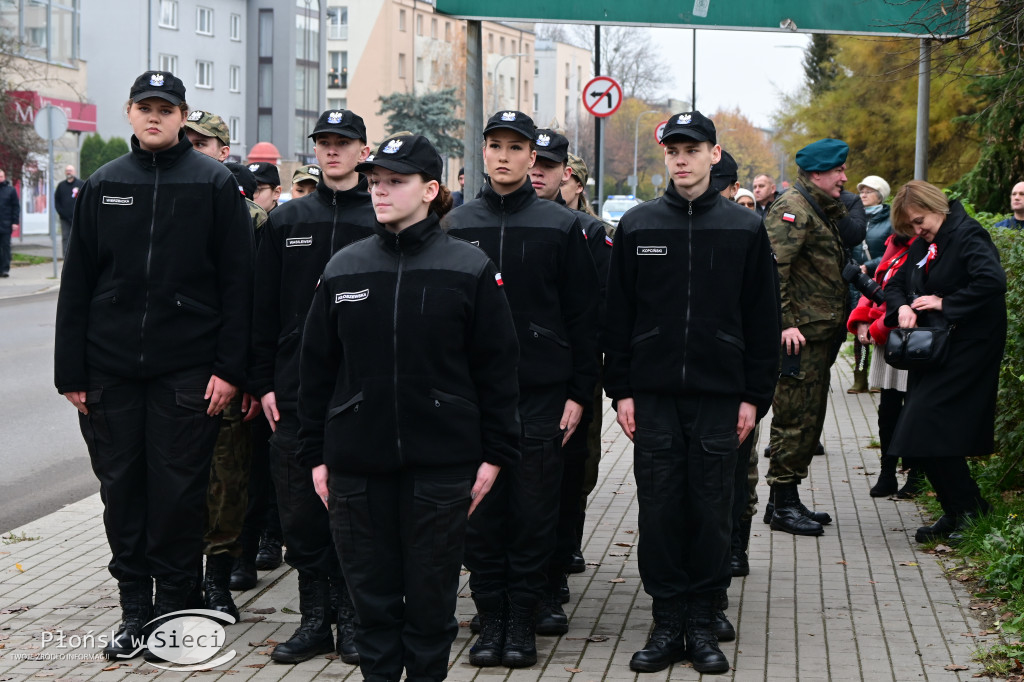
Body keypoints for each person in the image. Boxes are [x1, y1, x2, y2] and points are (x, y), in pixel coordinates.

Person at [297, 132, 520, 682]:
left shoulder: (468, 267)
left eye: (395, 181)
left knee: (430, 603)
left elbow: (497, 370)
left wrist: (495, 455)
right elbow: (316, 371)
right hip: (357, 466)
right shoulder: (344, 268)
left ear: (430, 190)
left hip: (441, 466)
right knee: (370, 604)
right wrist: (315, 456)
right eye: (375, 181)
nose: (380, 191)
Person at [53, 70, 253, 660]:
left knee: (179, 495)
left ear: (182, 117)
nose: (155, 117)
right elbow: (78, 282)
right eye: (145, 107)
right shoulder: (105, 182)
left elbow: (239, 283)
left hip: (188, 371)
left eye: (166, 109)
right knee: (122, 493)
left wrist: (230, 369)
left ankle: (175, 609)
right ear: (130, 112)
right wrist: (72, 374)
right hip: (109, 371)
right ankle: (134, 610)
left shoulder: (213, 183)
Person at [604, 111, 779, 675]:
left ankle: (703, 621)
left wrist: (753, 397)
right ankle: (666, 622)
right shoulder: (638, 226)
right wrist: (621, 390)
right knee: (659, 511)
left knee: (710, 511)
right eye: (673, 151)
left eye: (692, 150)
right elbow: (617, 315)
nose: (681, 160)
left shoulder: (744, 228)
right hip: (653, 398)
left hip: (720, 398)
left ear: (713, 154)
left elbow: (762, 319)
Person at [444, 110, 599, 669]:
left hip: (540, 396)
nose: (504, 156)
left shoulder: (561, 226)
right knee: (482, 514)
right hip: (473, 399)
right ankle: (491, 618)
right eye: (496, 146)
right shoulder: (457, 225)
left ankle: (522, 620)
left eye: (516, 147)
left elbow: (584, 318)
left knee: (533, 512)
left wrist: (579, 393)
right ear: (483, 152)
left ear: (533, 157)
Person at [250, 108, 375, 664]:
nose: (332, 150)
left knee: (354, 510)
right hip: (294, 391)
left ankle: (355, 620)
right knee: (300, 511)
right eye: (324, 141)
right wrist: (264, 382)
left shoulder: (380, 216)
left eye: (342, 142)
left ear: (362, 151)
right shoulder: (286, 220)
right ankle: (314, 620)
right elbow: (263, 308)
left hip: (361, 391)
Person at [884, 180, 1006, 543]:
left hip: (970, 347)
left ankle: (969, 508)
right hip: (935, 350)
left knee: (926, 425)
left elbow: (992, 281)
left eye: (919, 222)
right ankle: (957, 510)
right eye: (911, 227)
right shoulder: (924, 243)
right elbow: (895, 284)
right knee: (918, 430)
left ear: (935, 206)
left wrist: (944, 303)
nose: (917, 231)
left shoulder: (968, 234)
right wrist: (902, 307)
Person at [527, 128, 609, 632]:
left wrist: (585, 382)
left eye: (548, 166)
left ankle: (554, 572)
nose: (537, 172)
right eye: (533, 162)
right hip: (509, 379)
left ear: (566, 174)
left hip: (568, 377)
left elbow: (595, 312)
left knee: (566, 476)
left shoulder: (585, 231)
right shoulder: (484, 221)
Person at [763, 138, 851, 537]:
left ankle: (785, 500)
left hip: (816, 334)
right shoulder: (793, 209)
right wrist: (786, 323)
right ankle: (782, 504)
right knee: (794, 419)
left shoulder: (816, 206)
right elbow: (773, 271)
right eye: (838, 171)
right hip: (797, 337)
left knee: (809, 418)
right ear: (818, 174)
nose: (844, 178)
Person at [846, 226, 922, 498]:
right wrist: (862, 319)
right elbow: (879, 285)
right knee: (888, 409)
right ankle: (887, 472)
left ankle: (916, 474)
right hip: (887, 337)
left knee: (915, 409)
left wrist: (877, 325)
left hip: (911, 337)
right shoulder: (894, 243)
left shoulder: (926, 246)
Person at [54, 165, 84, 258]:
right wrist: (62, 213)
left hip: (78, 218)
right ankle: (66, 258)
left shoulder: (81, 184)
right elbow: (57, 201)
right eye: (67, 170)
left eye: (70, 170)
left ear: (74, 172)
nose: (68, 172)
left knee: (78, 237)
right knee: (66, 237)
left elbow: (85, 200)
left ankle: (79, 257)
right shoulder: (61, 186)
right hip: (64, 218)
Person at [0, 169, 19, 277]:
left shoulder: (10, 190)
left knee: (5, 247)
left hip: (6, 224)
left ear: (4, 177)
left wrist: (15, 221)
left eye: (1, 176)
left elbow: (16, 207)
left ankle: (5, 269)